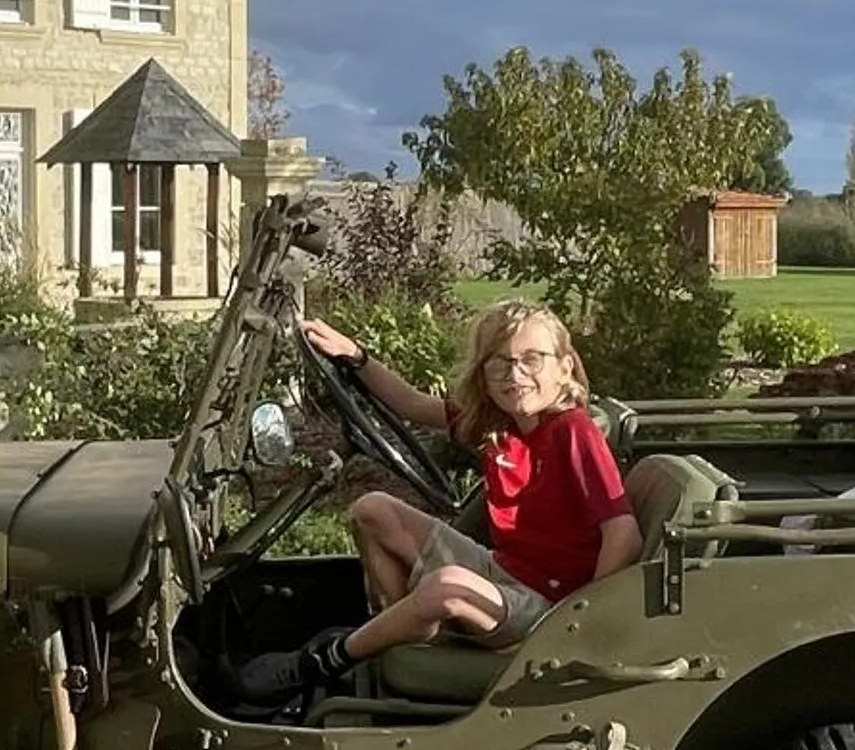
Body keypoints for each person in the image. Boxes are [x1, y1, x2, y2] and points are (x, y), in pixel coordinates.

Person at [229, 299, 642, 706]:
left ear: (565, 367)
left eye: (531, 359)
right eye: (499, 362)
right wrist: (356, 356)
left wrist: (577, 623)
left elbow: (623, 535)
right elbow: (412, 404)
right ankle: (400, 640)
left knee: (448, 585)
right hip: (508, 574)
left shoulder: (573, 431)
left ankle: (327, 659)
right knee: (373, 510)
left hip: (549, 610)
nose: (515, 374)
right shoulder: (502, 426)